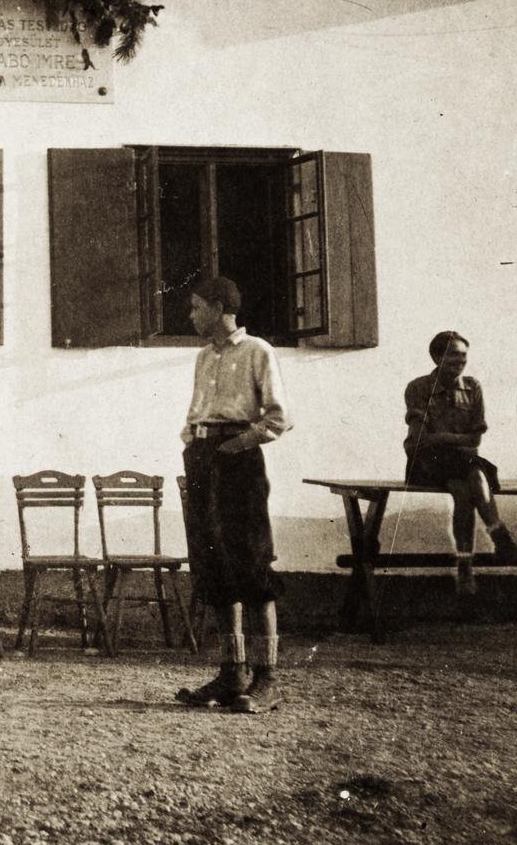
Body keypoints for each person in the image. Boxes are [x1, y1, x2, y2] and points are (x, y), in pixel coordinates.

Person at [174, 276, 291, 714]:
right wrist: (194, 447)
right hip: (204, 460)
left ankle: (267, 678)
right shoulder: (204, 357)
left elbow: (279, 418)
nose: (191, 315)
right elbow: (193, 414)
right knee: (215, 566)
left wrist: (234, 446)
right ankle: (232, 672)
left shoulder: (259, 351)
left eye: (196, 306)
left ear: (220, 306)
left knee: (252, 564)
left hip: (238, 461)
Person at [404, 330, 517, 594]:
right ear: (437, 357)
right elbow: (420, 439)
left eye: (463, 355)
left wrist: (442, 437)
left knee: (465, 491)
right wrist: (455, 438)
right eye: (452, 355)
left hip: (461, 460)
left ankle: (465, 569)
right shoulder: (418, 388)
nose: (460, 361)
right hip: (425, 461)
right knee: (471, 474)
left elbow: (475, 440)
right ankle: (500, 539)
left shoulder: (473, 387)